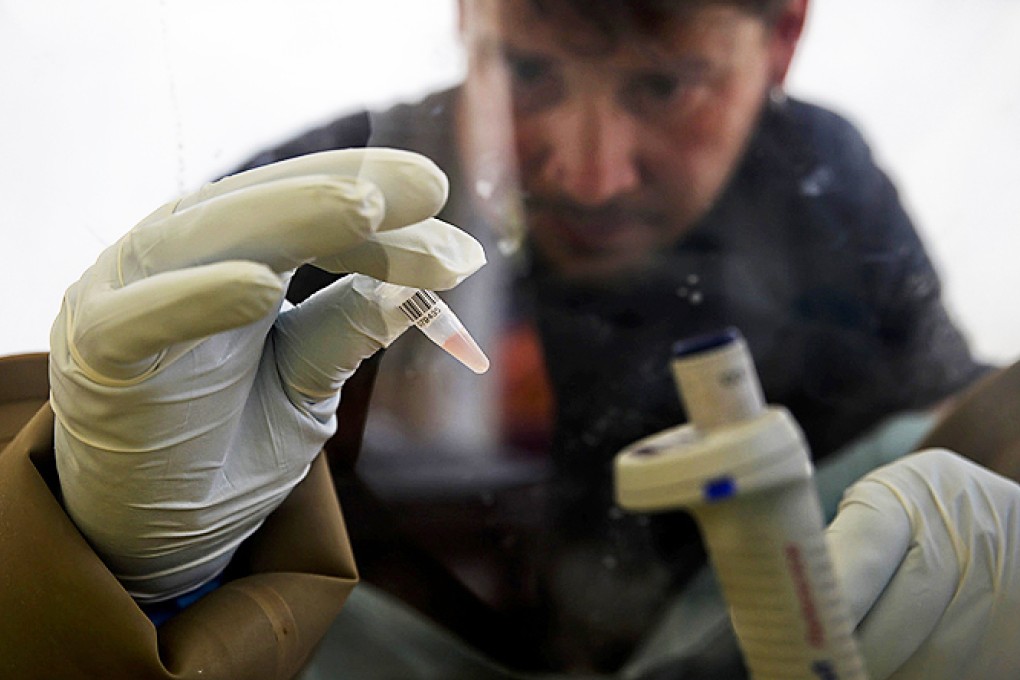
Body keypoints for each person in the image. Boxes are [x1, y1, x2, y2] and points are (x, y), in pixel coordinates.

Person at [46, 1, 1020, 678]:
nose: (589, 173)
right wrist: (121, 575)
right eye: (528, 70)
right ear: (470, 15)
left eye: (669, 84)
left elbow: (940, 418)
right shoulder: (324, 216)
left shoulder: (821, 180)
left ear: (785, 35)